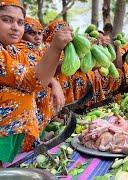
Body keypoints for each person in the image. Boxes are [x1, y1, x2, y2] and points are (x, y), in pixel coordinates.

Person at [0, 0, 72, 164]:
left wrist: (53, 81)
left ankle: (11, 152)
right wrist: (55, 48)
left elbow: (33, 72)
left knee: (31, 93)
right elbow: (31, 80)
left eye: (20, 22)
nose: (15, 27)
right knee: (18, 98)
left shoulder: (11, 49)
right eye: (6, 20)